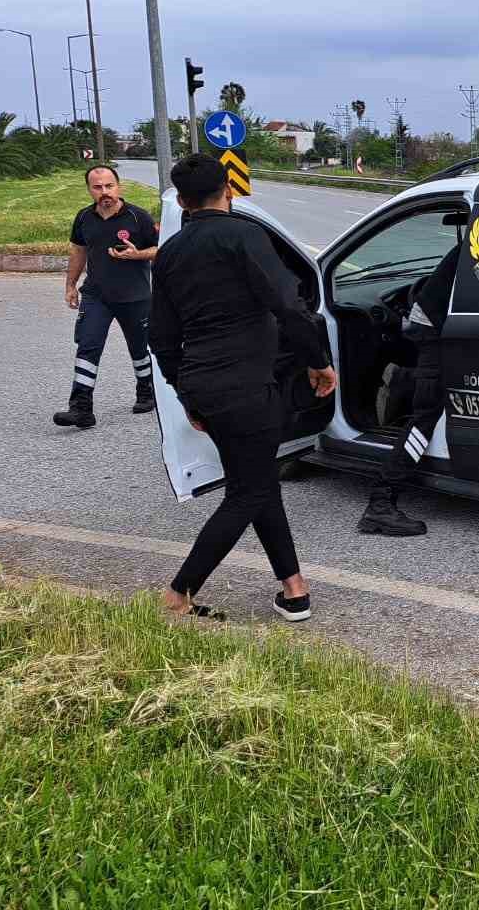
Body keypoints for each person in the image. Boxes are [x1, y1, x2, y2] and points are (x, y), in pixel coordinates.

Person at [149, 153, 337, 621]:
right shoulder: (246, 237)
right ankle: (177, 596)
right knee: (248, 492)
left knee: (257, 480)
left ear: (184, 201)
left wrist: (186, 392)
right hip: (249, 387)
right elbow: (290, 308)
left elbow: (161, 338)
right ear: (227, 192)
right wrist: (318, 363)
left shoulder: (169, 252)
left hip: (203, 386)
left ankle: (294, 589)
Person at [359, 244, 459, 536]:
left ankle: (403, 380)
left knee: (429, 397)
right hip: (434, 328)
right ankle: (381, 502)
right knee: (425, 417)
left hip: (434, 322)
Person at [54, 164, 159, 429]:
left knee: (140, 349)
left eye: (109, 186)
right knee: (87, 345)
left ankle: (146, 391)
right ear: (90, 190)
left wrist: (138, 254)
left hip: (135, 296)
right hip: (96, 296)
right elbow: (78, 251)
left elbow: (160, 249)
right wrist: (70, 285)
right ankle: (81, 408)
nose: (104, 192)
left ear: (119, 186)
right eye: (98, 187)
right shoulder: (83, 218)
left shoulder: (138, 217)